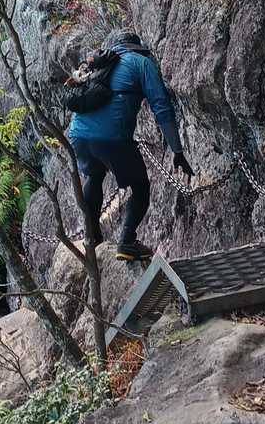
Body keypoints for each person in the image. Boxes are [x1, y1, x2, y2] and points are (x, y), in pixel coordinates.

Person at [67, 29, 193, 261]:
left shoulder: (101, 64)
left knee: (93, 176)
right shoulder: (141, 63)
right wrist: (177, 150)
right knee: (140, 187)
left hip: (78, 135)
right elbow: (162, 107)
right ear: (138, 47)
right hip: (111, 138)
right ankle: (127, 242)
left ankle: (92, 237)